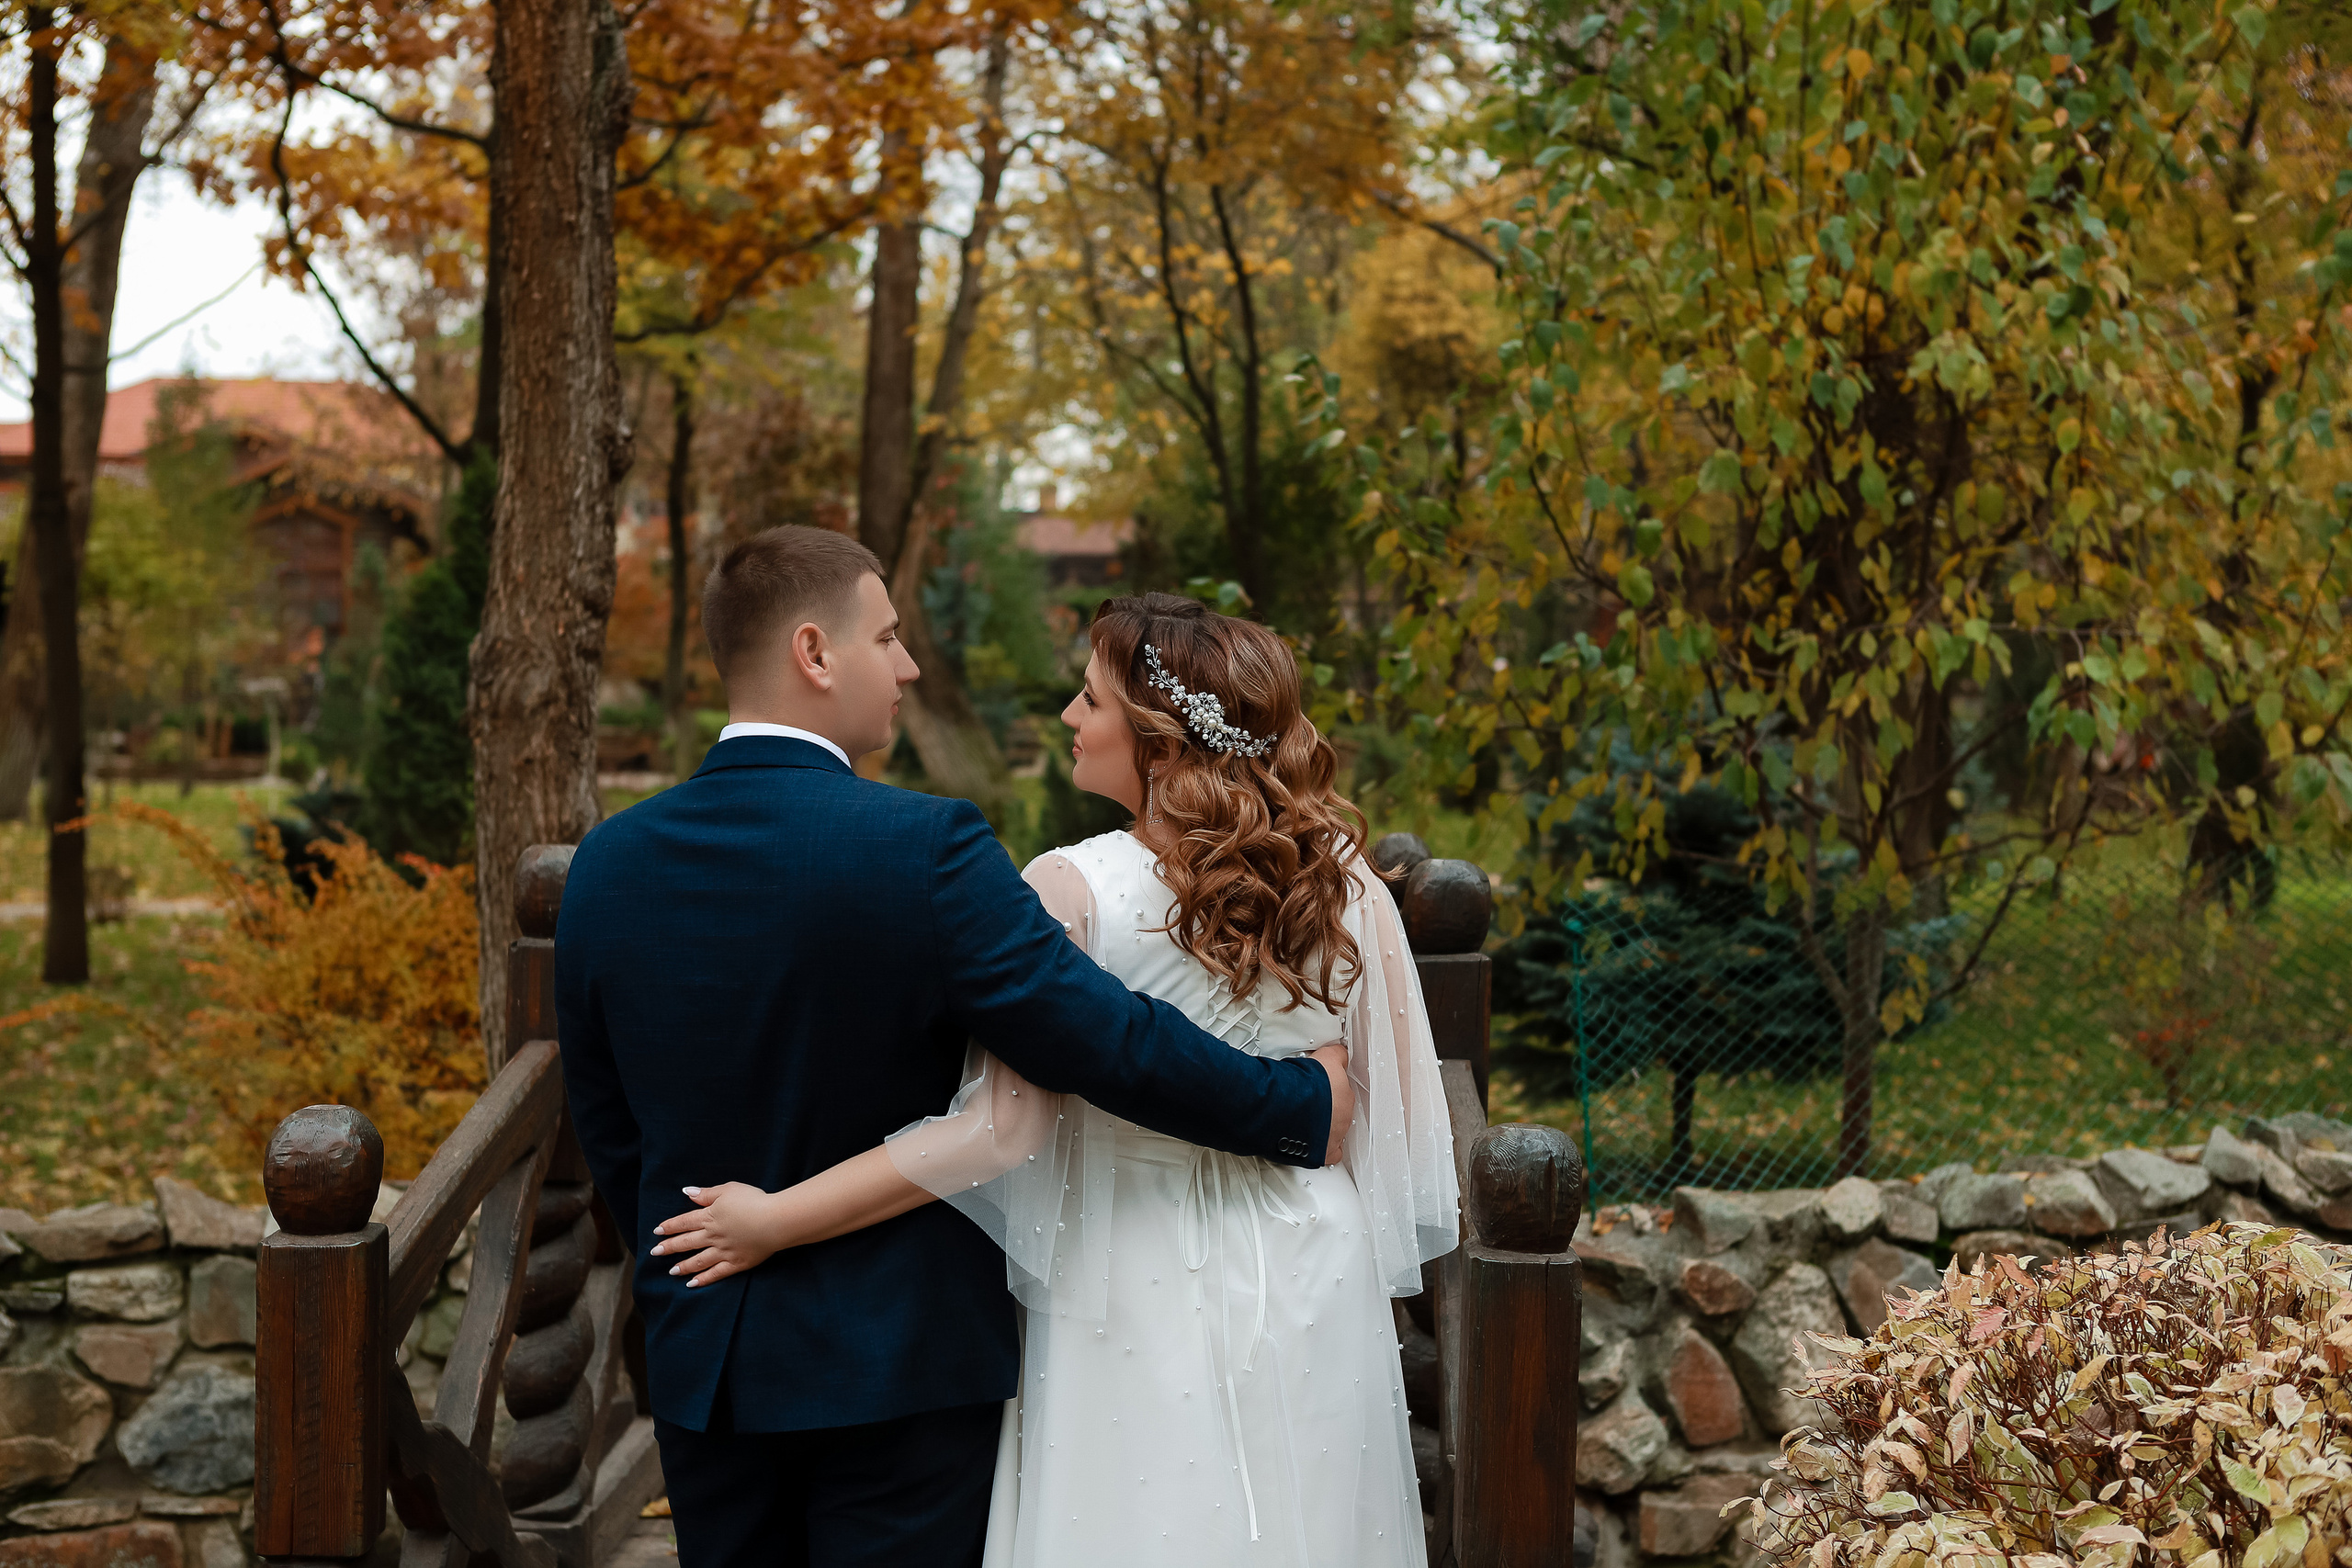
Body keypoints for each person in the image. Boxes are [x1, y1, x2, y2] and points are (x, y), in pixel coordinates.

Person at [555, 534, 1358, 1568]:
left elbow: (609, 1123)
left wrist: (684, 1269)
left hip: (710, 1354)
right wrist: (1291, 1108)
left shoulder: (608, 865)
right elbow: (1098, 1037)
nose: (908, 666)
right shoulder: (924, 848)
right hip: (904, 1368)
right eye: (886, 636)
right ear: (814, 652)